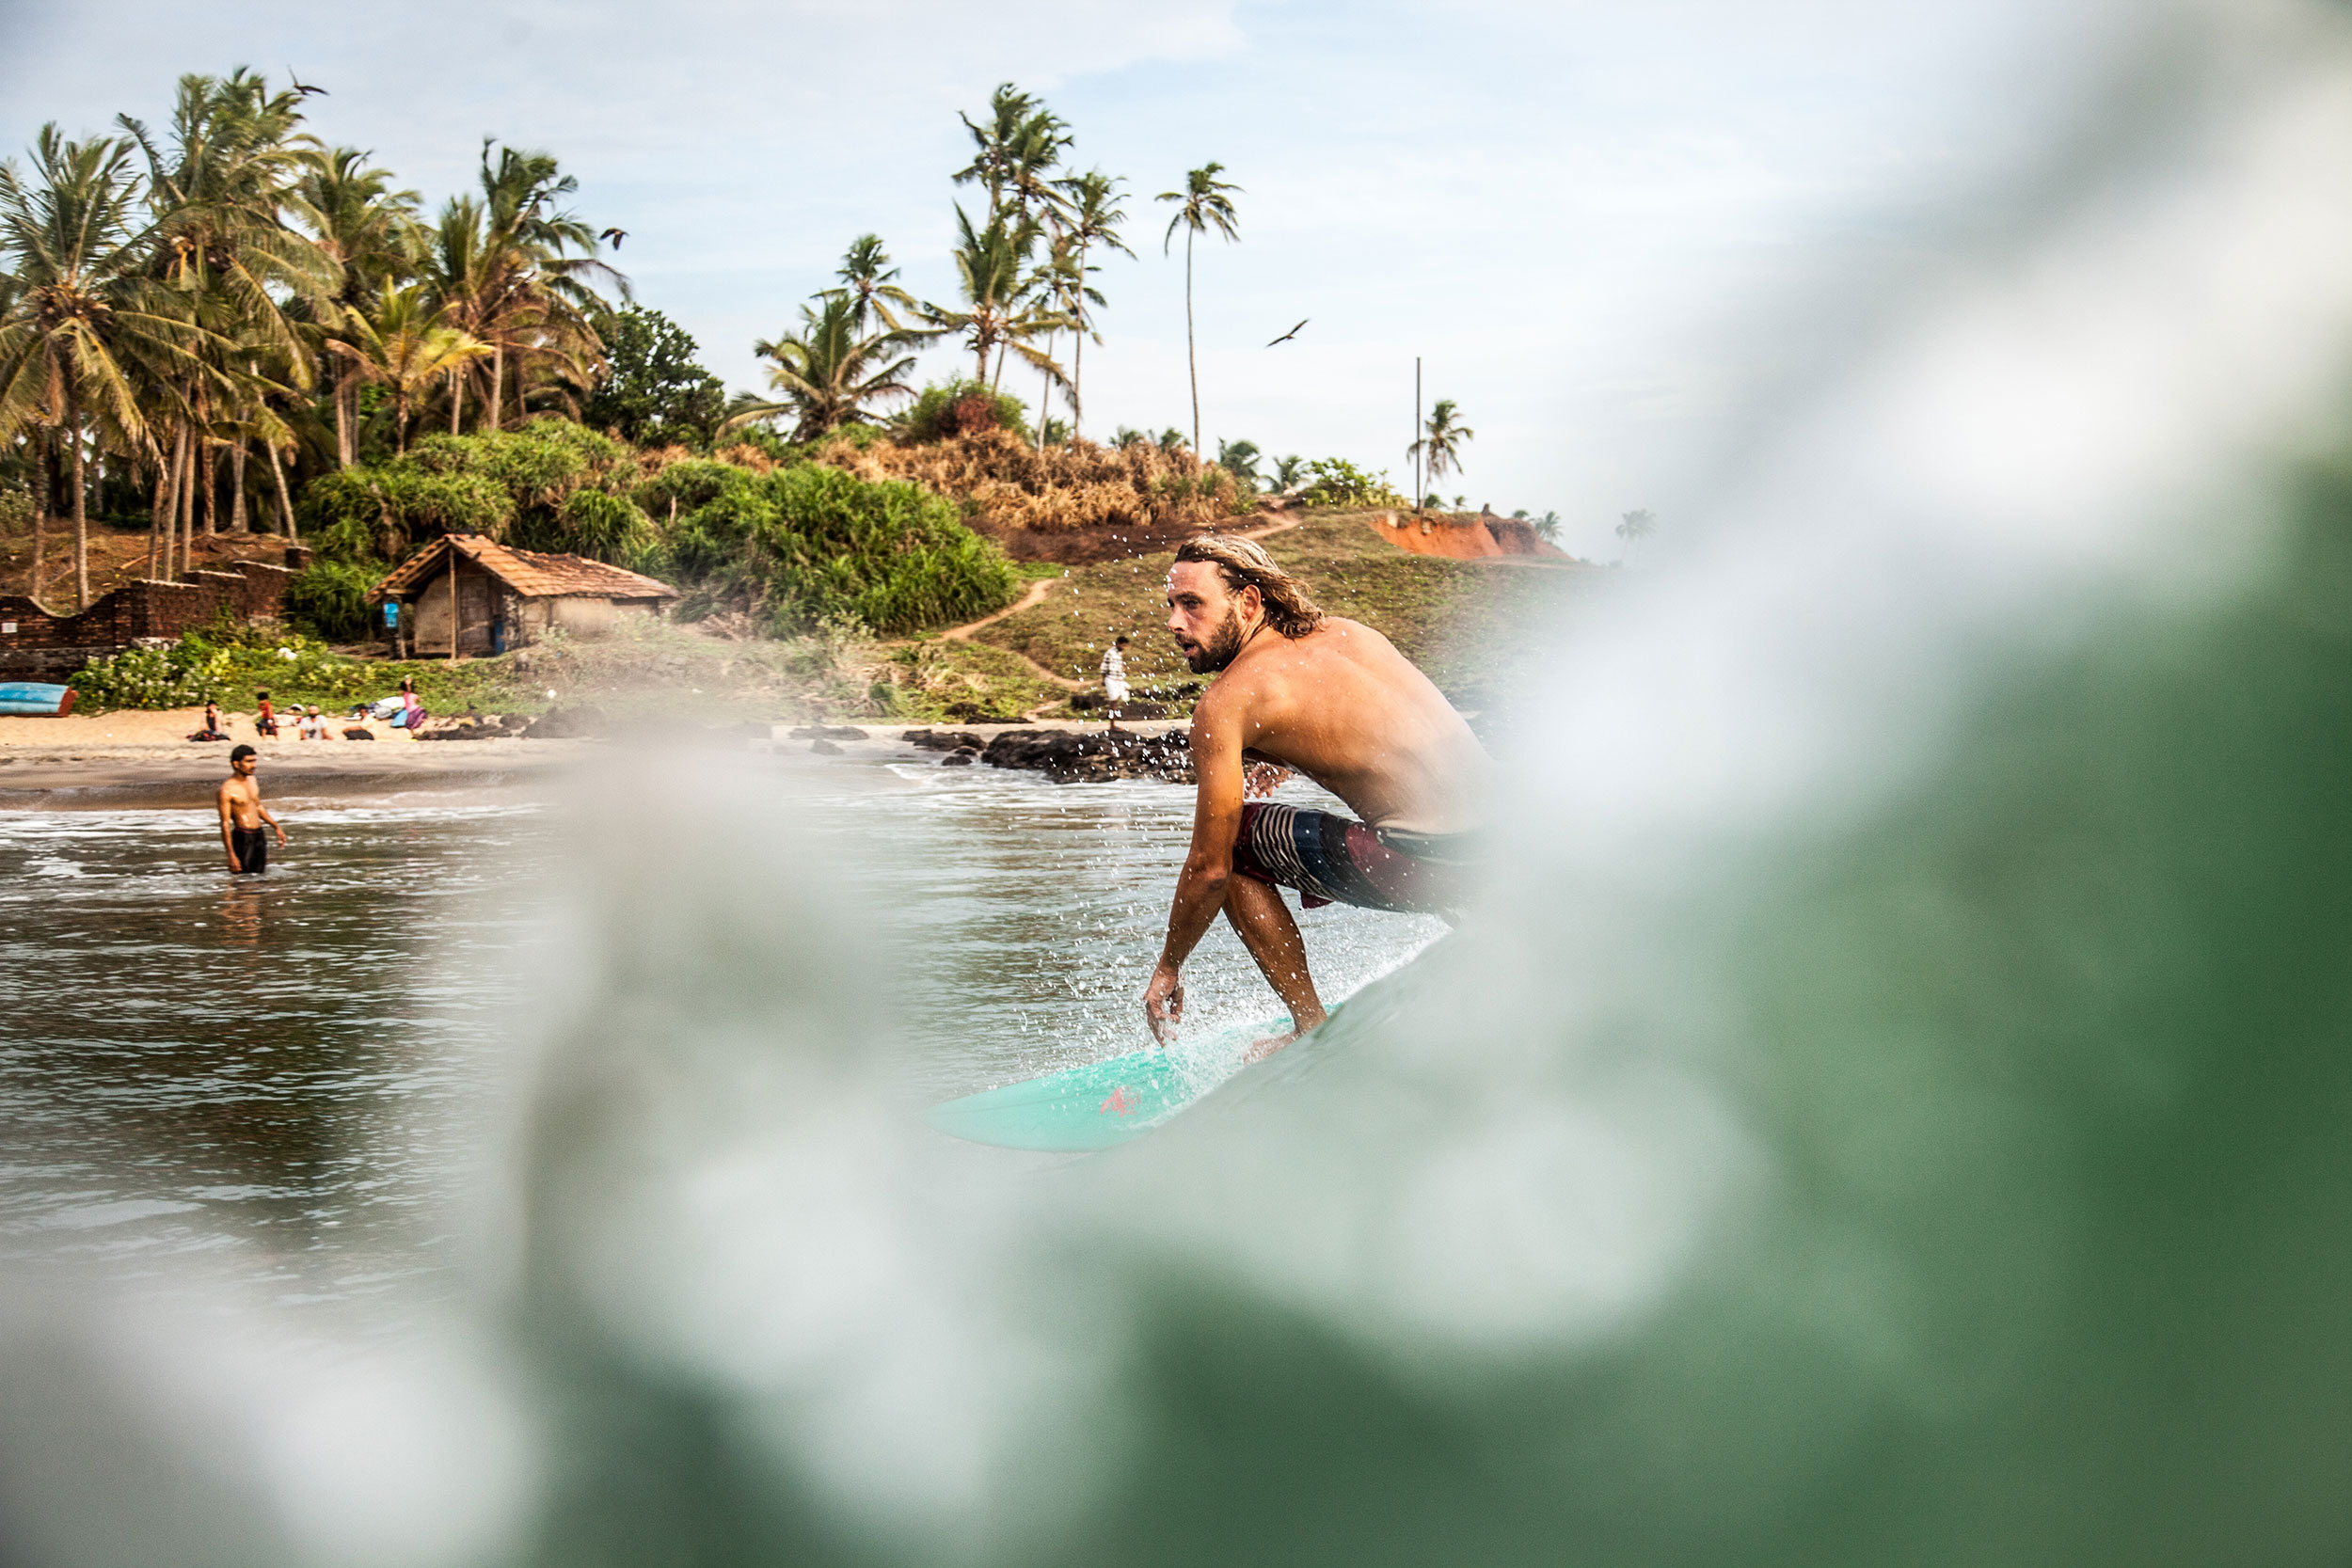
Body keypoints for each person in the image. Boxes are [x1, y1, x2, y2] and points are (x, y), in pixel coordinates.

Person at [1143, 535, 1489, 1058]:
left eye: (1192, 604)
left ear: (1249, 602)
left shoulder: (1225, 703)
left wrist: (1170, 964)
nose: (1174, 622)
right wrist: (1282, 758)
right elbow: (1379, 735)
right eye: (1171, 606)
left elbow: (1209, 868)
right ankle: (1494, 936)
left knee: (1233, 843)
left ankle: (1308, 1024)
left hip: (1429, 867)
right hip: (1509, 850)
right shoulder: (1352, 634)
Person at [216, 744, 288, 875]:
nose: (253, 765)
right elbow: (225, 824)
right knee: (244, 881)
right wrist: (231, 856)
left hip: (259, 835)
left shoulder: (252, 780)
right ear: (236, 764)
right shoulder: (227, 790)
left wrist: (275, 826)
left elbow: (258, 806)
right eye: (248, 761)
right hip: (243, 837)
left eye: (254, 761)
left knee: (259, 878)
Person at [1101, 635, 1132, 732]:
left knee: (1117, 700)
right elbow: (1104, 667)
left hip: (1118, 679)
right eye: (1123, 645)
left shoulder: (1118, 654)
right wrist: (1103, 680)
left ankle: (1112, 721)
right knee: (1113, 701)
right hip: (1110, 678)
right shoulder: (1110, 653)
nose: (1124, 648)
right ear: (1118, 643)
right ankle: (1112, 725)